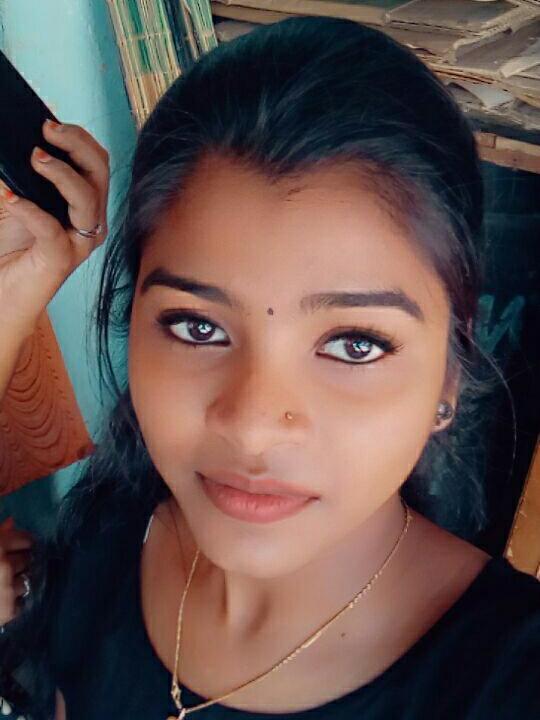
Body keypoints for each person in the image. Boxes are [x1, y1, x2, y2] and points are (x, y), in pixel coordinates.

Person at [0, 15, 538, 720]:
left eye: (354, 344)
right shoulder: (109, 537)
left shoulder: (509, 682)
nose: (252, 428)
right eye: (198, 327)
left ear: (449, 374)